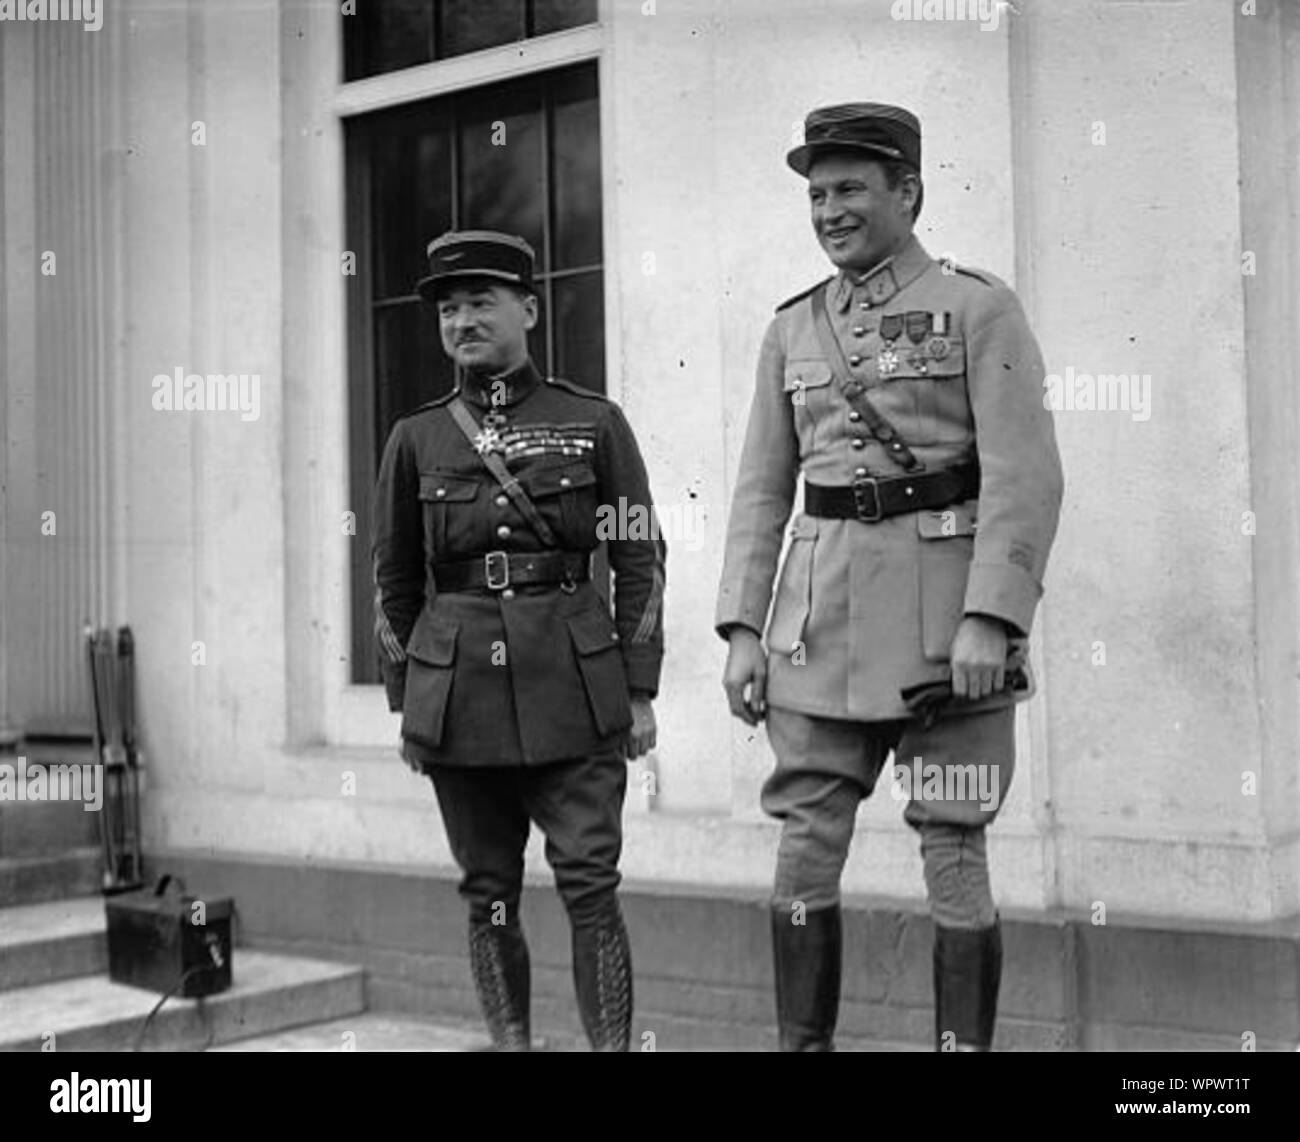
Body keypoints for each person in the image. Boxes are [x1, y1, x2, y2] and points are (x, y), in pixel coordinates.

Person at [716, 104, 1063, 1051]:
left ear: (907, 190)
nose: (830, 210)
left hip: (944, 633)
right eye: (817, 194)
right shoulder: (792, 330)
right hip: (818, 626)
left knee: (952, 843)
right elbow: (759, 488)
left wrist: (993, 615)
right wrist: (744, 629)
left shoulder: (977, 306)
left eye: (851, 189)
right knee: (805, 846)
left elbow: (1026, 477)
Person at [372, 230, 665, 1051]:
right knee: (489, 888)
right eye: (449, 307)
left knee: (590, 886)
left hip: (574, 687)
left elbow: (638, 553)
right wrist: (410, 707)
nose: (463, 320)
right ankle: (512, 1045)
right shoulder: (416, 438)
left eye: (481, 302)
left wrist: (638, 688)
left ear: (528, 309)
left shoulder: (591, 422)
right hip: (459, 694)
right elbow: (393, 577)